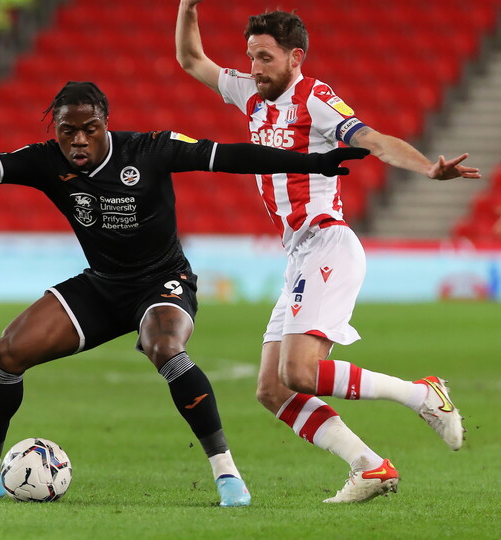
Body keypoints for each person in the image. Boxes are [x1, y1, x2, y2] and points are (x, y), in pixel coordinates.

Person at [0, 81, 370, 507]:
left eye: (90, 129)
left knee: (163, 346)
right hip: (103, 284)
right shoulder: (47, 160)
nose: (79, 140)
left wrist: (311, 164)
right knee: (6, 354)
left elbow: (229, 156)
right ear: (57, 130)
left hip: (164, 281)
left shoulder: (149, 149)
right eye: (68, 131)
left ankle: (228, 474)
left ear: (105, 124)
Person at [175, 1, 478, 503]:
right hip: (299, 255)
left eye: (266, 57)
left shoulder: (315, 99)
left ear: (295, 57)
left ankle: (422, 395)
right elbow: (191, 59)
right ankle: (369, 465)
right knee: (273, 389)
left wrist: (427, 168)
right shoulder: (249, 93)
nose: (255, 68)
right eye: (251, 57)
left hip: (327, 243)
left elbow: (374, 141)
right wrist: (188, 6)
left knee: (299, 373)